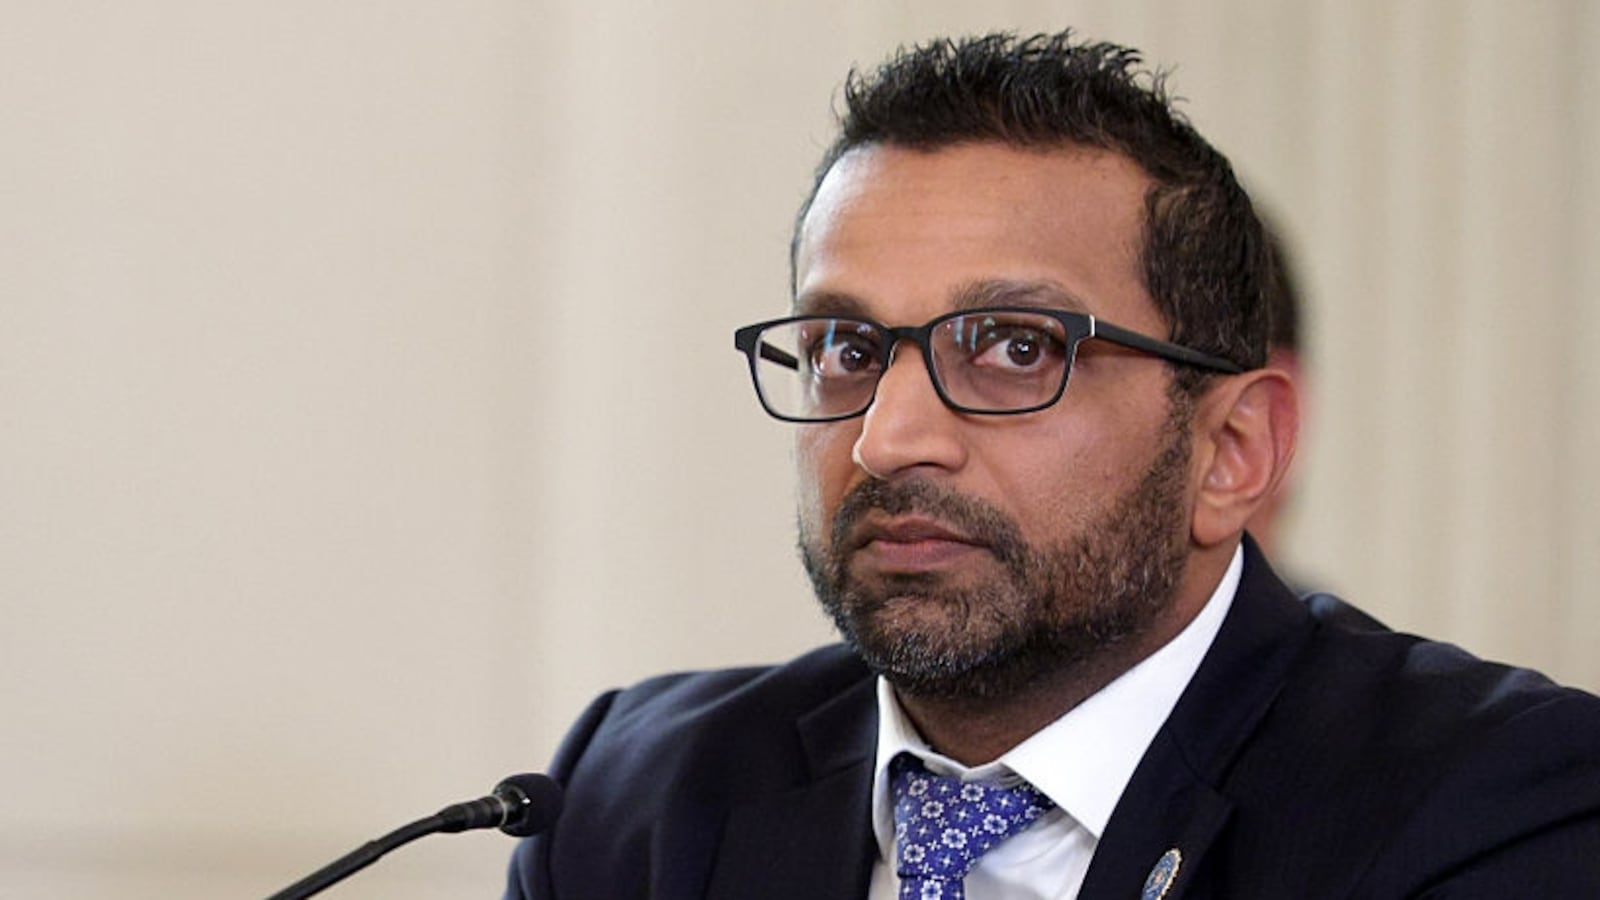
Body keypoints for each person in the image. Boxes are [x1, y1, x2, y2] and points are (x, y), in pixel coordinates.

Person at [504, 30, 1600, 899]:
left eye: (1014, 349)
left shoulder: (1492, 806)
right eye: (846, 349)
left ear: (1231, 451)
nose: (888, 438)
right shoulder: (632, 801)